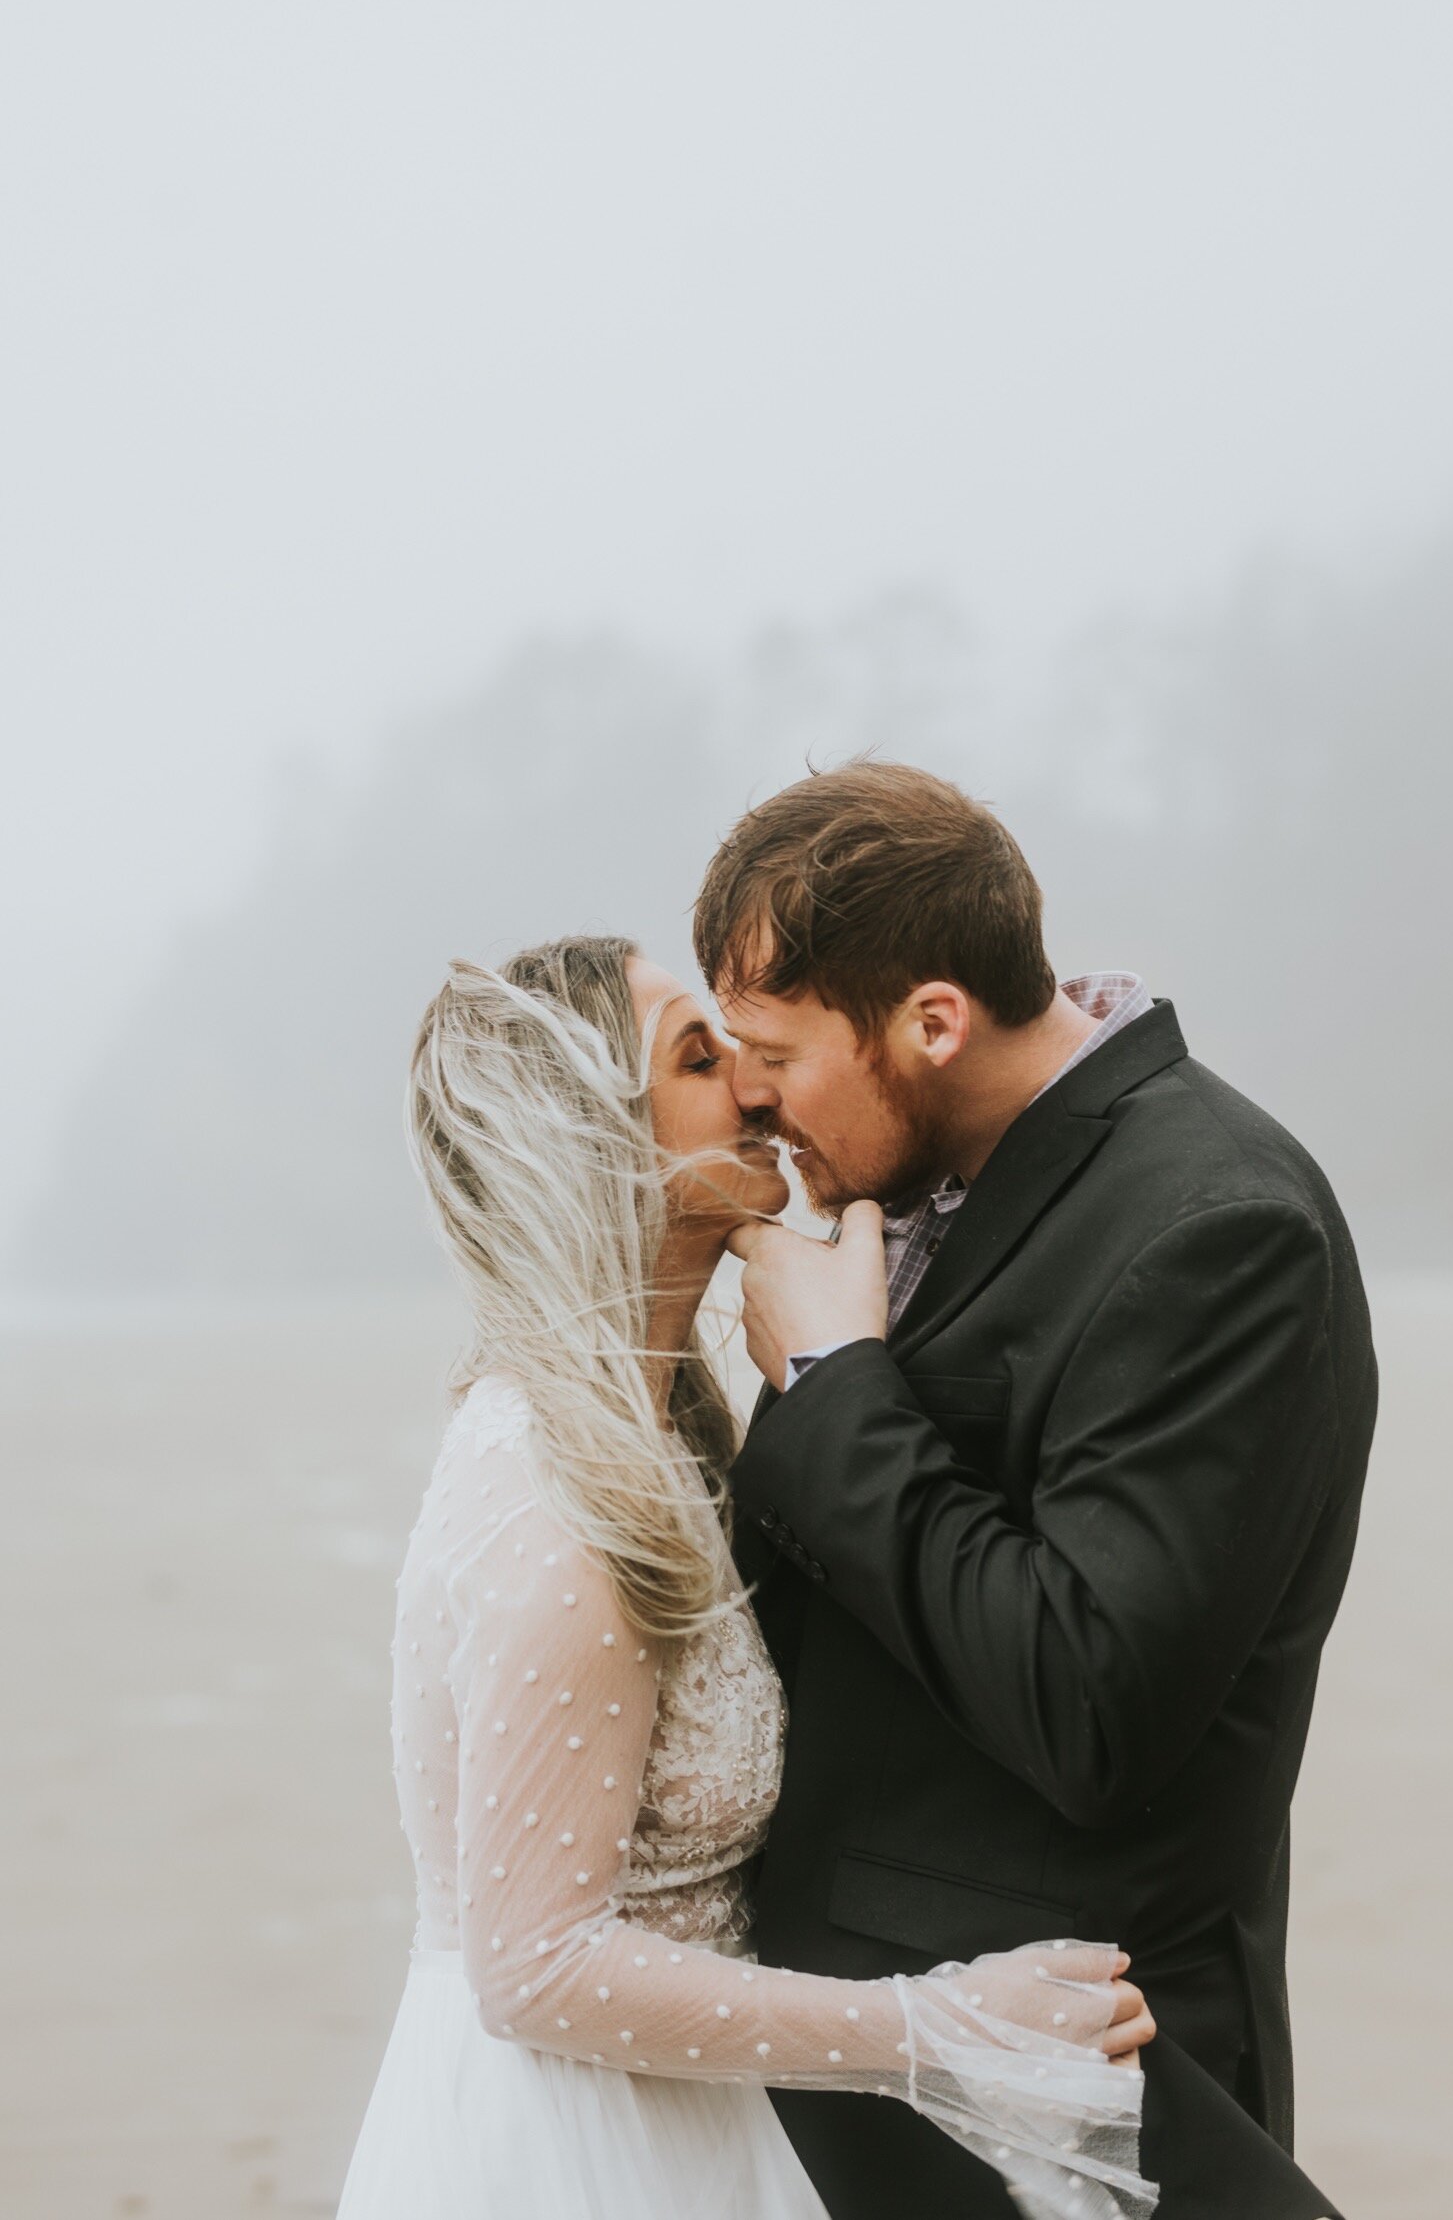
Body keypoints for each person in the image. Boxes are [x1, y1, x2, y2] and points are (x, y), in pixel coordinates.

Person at [335, 934, 1158, 2220]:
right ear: (598, 1142)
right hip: (578, 2150)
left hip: (681, 2119)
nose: (759, 1087)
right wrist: (935, 2026)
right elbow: (536, 1971)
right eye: (700, 1057)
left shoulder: (664, 1433)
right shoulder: (563, 1502)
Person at [696, 759, 1373, 2220]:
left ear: (932, 1020)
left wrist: (833, 1386)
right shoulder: (911, 1176)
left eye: (774, 1049)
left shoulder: (1221, 1225)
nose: (748, 1096)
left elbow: (1090, 1694)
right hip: (871, 2070)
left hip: (1080, 2085)